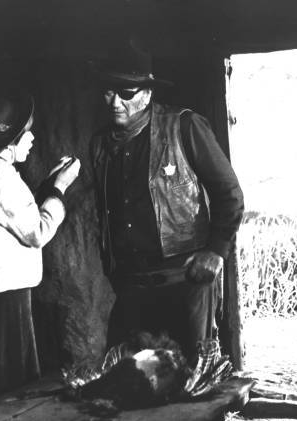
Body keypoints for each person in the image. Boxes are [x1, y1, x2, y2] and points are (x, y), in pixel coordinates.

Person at [90, 45, 244, 365]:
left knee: (191, 379)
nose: (115, 102)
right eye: (108, 92)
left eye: (126, 92)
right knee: (126, 379)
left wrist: (216, 250)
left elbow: (229, 192)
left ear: (147, 94)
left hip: (185, 283)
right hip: (132, 289)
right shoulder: (101, 145)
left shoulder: (184, 127)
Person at [0, 94, 81, 415]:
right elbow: (36, 231)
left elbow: (14, 219)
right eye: (27, 132)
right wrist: (58, 189)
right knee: (5, 397)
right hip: (3, 305)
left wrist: (47, 186)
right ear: (9, 142)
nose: (33, 137)